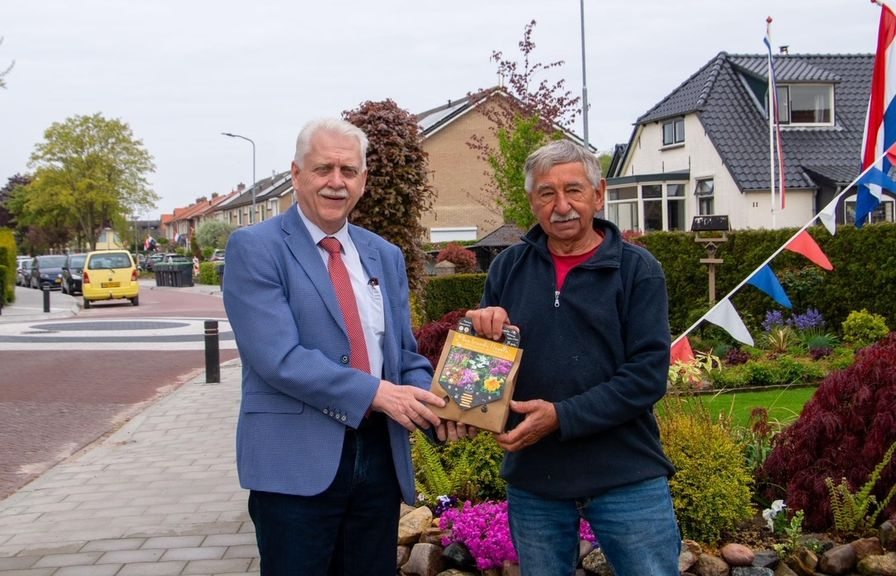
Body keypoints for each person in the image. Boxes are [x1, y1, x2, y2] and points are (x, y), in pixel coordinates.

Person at [223, 118, 462, 575]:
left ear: (364, 180)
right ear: (296, 174)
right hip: (295, 462)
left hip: (377, 456)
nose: (336, 182)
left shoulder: (383, 255)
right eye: (323, 169)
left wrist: (439, 405)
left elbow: (403, 356)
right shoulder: (255, 248)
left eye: (348, 171)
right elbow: (278, 358)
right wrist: (377, 393)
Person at [466, 140, 680, 575]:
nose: (561, 206)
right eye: (547, 193)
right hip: (535, 478)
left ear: (598, 194)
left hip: (626, 475)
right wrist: (481, 335)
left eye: (574, 190)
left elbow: (646, 377)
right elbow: (486, 374)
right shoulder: (507, 268)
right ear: (532, 201)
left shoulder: (637, 270)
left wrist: (562, 416)